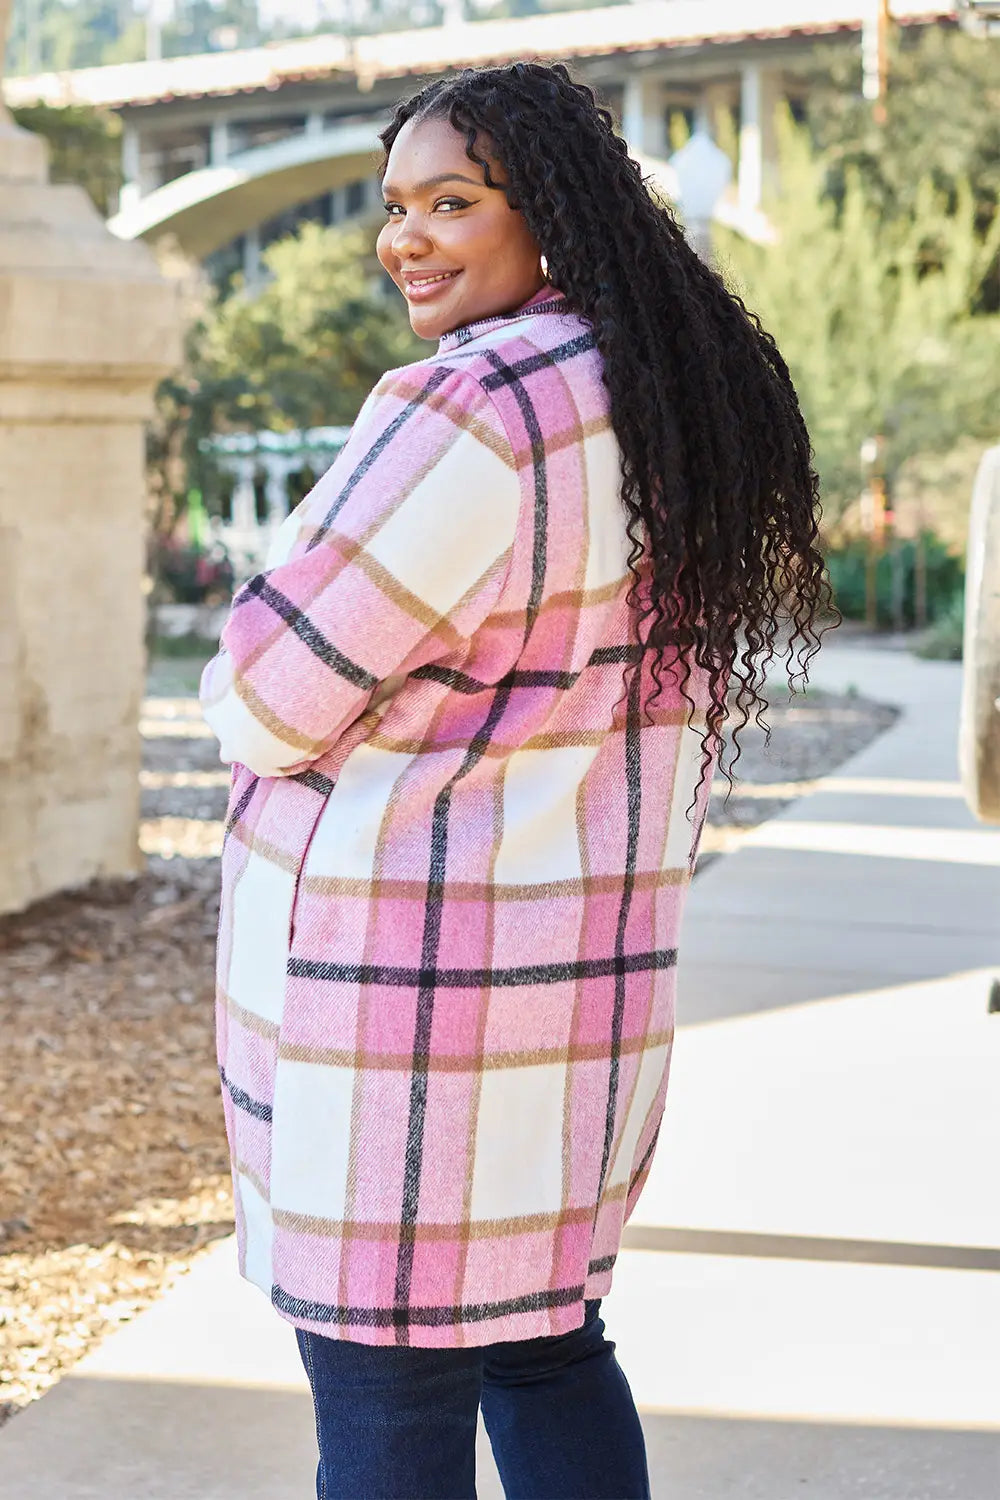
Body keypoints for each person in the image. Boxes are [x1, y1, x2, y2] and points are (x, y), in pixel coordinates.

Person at [199, 61, 831, 1500]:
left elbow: (267, 690)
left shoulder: (476, 407)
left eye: (452, 202)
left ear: (547, 215)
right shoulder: (665, 405)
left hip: (407, 1018)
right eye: (395, 207)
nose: (405, 238)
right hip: (573, 1000)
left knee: (384, 1394)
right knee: (546, 1349)